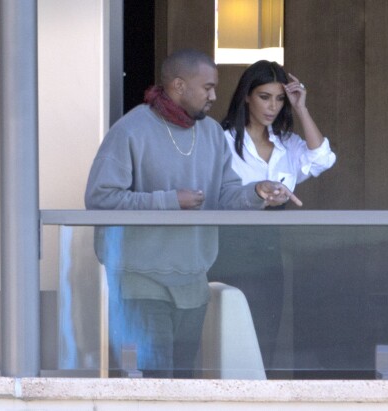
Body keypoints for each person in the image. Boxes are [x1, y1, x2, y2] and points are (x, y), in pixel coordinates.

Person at [84, 49, 300, 378]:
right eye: (208, 87)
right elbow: (100, 199)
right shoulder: (131, 130)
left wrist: (256, 193)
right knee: (154, 385)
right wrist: (170, 201)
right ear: (179, 85)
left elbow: (225, 196)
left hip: (193, 281)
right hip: (140, 280)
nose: (215, 96)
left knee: (184, 383)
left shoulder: (213, 133)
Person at [208, 60, 336, 373]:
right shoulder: (222, 140)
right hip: (225, 248)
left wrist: (301, 107)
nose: (273, 106)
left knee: (263, 339)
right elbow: (214, 195)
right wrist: (257, 192)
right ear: (247, 96)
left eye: (279, 99)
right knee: (222, 337)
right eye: (265, 97)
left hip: (268, 255)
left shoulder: (287, 145)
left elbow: (323, 159)